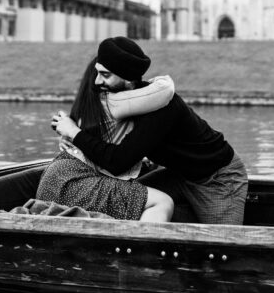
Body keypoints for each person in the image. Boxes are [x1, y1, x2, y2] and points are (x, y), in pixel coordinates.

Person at [53, 36, 249, 225]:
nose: (96, 81)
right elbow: (100, 131)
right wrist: (69, 133)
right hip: (177, 175)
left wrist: (75, 133)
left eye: (105, 75)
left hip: (218, 179)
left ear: (129, 81)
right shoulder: (126, 98)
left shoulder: (161, 109)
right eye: (97, 72)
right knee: (129, 201)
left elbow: (117, 162)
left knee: (222, 248)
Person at [36, 55, 175, 222]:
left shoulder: (90, 104)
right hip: (74, 181)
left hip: (58, 177)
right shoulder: (115, 102)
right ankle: (141, 247)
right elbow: (165, 89)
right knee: (162, 202)